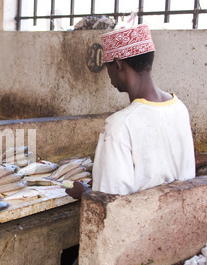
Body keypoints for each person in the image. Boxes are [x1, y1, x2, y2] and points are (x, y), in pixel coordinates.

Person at [66, 24, 196, 200]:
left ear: (118, 65)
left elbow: (109, 202)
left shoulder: (120, 125)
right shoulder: (179, 107)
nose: (108, 74)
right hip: (176, 217)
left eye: (107, 66)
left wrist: (86, 193)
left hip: (140, 224)